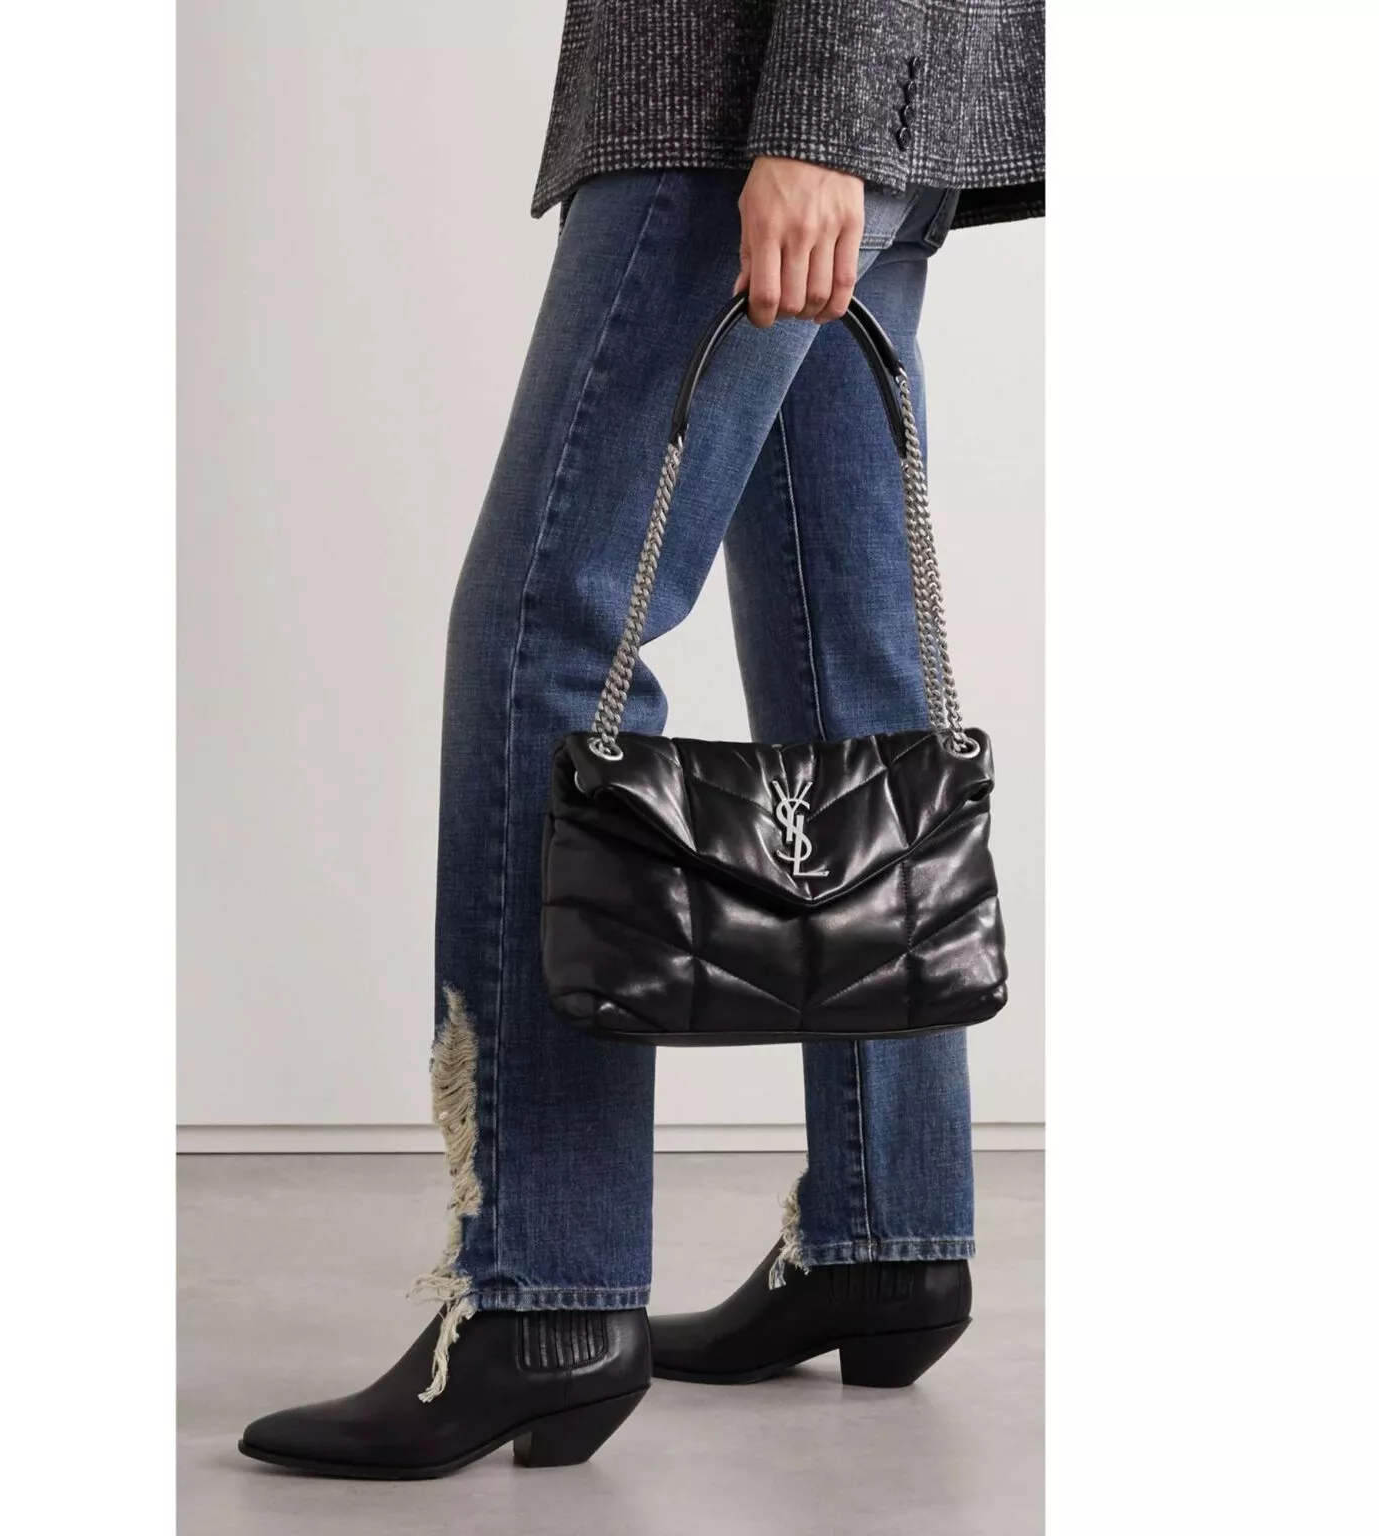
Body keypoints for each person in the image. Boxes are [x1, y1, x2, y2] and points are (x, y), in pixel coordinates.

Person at [239, 0, 1043, 1480]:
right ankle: (888, 1231)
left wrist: (818, 122)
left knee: (549, 629)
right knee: (849, 671)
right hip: (877, 91)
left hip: (744, 93)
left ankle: (542, 1292)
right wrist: (850, 114)